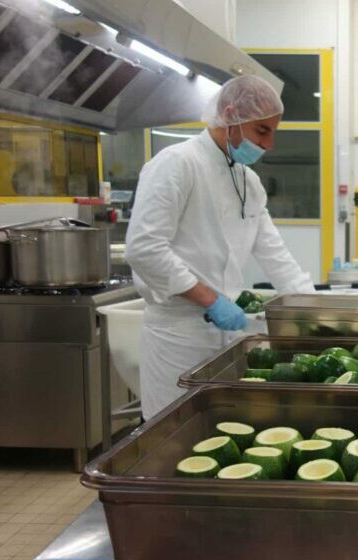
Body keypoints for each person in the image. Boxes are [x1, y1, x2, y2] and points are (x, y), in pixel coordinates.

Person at [126, 75, 315, 419]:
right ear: (231, 115)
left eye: (273, 132)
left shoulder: (248, 181)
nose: (269, 144)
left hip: (228, 338)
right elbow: (144, 248)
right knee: (173, 431)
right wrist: (211, 299)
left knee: (218, 431)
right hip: (178, 336)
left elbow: (275, 255)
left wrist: (312, 308)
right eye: (262, 131)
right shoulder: (177, 163)